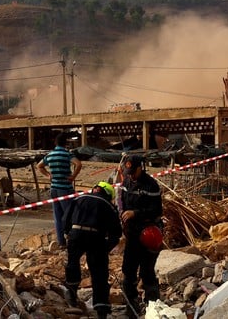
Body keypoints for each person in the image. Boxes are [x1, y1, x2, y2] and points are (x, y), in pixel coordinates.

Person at [62, 181, 122, 319]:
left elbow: (65, 219)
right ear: (107, 194)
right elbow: (116, 233)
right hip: (96, 237)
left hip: (76, 234)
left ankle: (71, 295)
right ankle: (102, 309)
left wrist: (68, 234)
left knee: (72, 263)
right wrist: (105, 249)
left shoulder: (78, 198)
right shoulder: (109, 206)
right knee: (99, 273)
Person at [118, 154, 163, 318]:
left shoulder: (151, 185)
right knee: (128, 271)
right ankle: (131, 306)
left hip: (148, 233)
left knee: (147, 271)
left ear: (140, 168)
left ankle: (153, 306)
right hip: (132, 234)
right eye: (127, 172)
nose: (130, 175)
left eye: (133, 171)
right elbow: (121, 202)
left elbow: (157, 211)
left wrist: (135, 213)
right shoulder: (126, 182)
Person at [37, 133, 82, 247]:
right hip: (65, 189)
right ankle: (71, 239)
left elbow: (39, 166)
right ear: (65, 143)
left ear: (55, 143)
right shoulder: (67, 154)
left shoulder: (50, 155)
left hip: (54, 188)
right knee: (69, 215)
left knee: (57, 216)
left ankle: (61, 242)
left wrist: (48, 175)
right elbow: (78, 164)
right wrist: (73, 177)